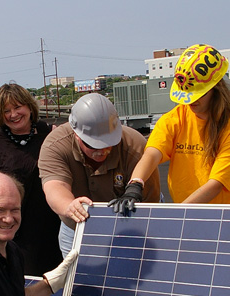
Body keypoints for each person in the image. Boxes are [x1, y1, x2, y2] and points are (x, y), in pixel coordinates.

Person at [108, 44, 230, 214]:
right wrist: (135, 184)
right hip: (187, 206)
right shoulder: (175, 118)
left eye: (197, 94)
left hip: (229, 208)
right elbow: (152, 154)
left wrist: (178, 213)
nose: (190, 101)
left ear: (215, 89)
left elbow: (216, 184)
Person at [39, 93, 160, 256]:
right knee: (79, 278)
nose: (102, 151)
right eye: (93, 145)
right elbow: (55, 187)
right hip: (76, 228)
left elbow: (150, 202)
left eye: (109, 144)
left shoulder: (134, 146)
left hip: (129, 226)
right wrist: (69, 206)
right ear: (76, 134)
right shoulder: (56, 145)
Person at [0, 82, 62, 275]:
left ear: (29, 106)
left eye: (17, 107)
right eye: (6, 110)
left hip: (53, 231)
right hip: (13, 235)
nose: (13, 114)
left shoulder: (51, 134)